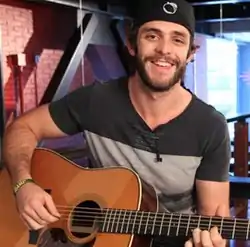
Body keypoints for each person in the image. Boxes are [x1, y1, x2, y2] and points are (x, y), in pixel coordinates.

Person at [2, 0, 231, 246]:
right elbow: (21, 128)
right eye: (152, 36)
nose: (164, 49)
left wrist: (209, 242)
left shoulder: (211, 126)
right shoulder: (94, 101)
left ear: (190, 54)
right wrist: (23, 183)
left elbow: (213, 219)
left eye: (177, 39)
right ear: (132, 44)